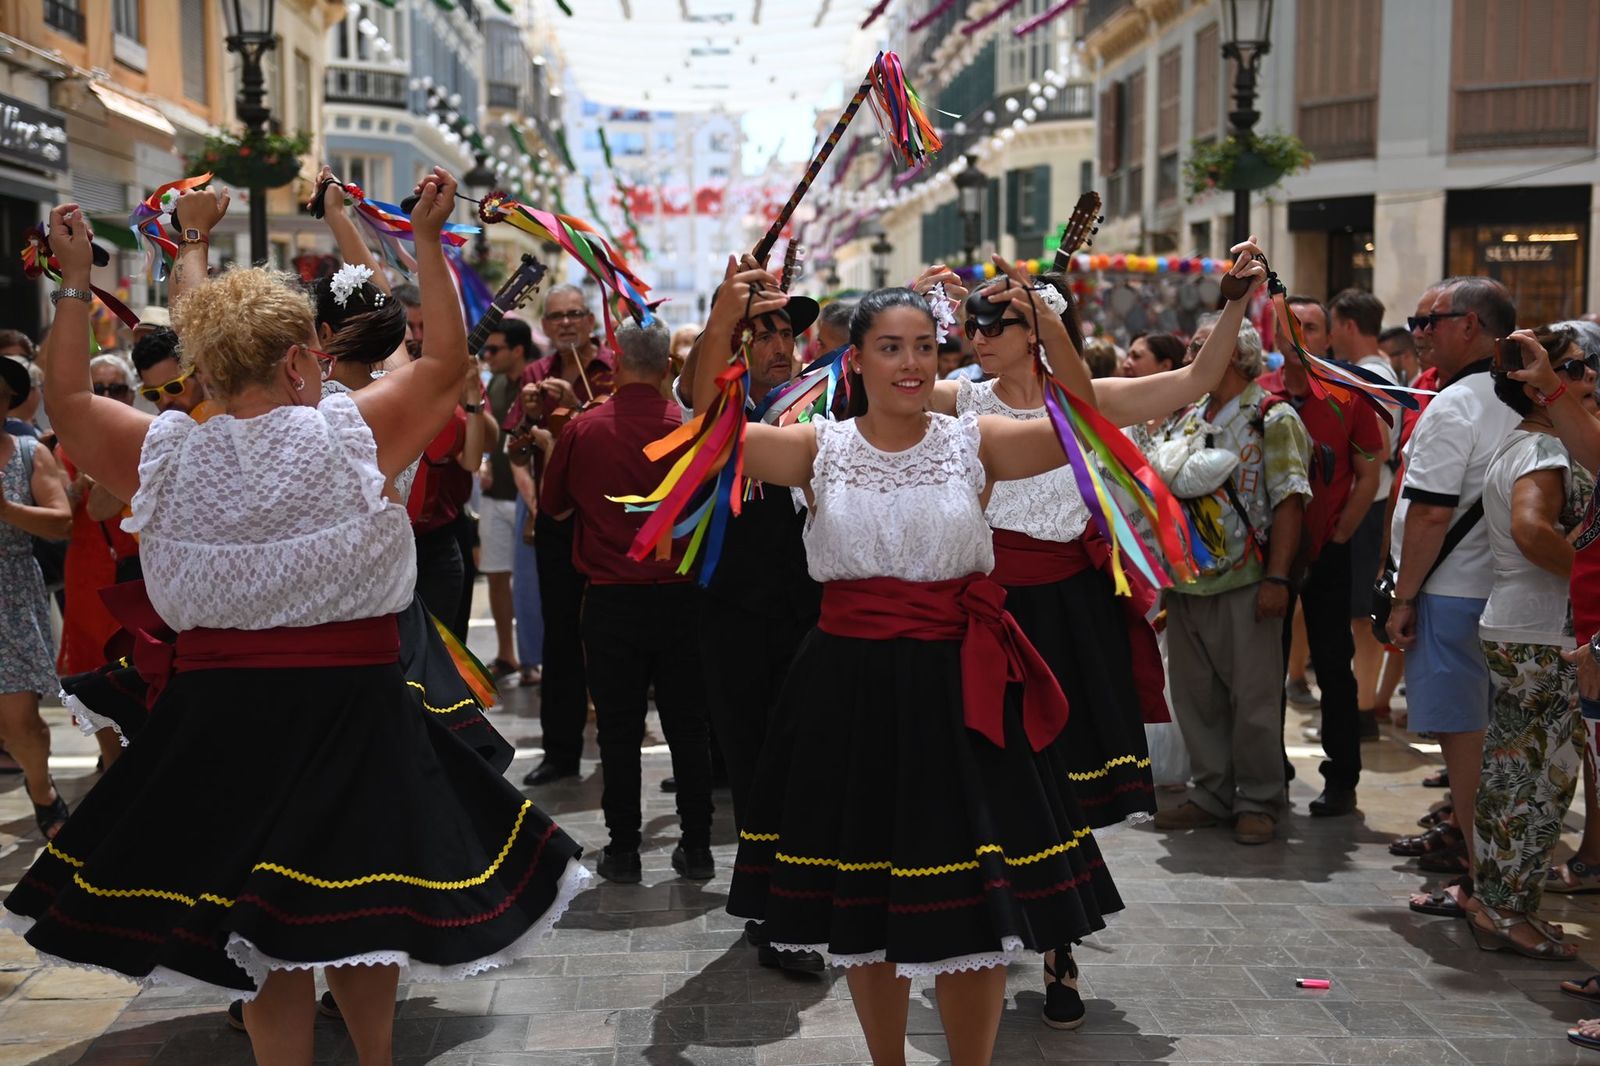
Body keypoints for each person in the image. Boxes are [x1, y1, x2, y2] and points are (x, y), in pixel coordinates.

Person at [5, 183, 585, 1064]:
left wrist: (77, 283)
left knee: (263, 938)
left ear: (209, 366)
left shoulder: (165, 449)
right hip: (348, 708)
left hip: (219, 720)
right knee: (358, 908)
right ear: (296, 365)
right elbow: (444, 366)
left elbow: (69, 400)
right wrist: (427, 243)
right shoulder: (347, 433)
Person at [720, 258, 1123, 1066]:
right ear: (855, 359)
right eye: (891, 347)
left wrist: (1050, 332)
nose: (911, 363)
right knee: (864, 903)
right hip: (848, 690)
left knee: (973, 906)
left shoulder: (975, 441)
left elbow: (1087, 420)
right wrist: (723, 327)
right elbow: (705, 431)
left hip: (958, 685)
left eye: (925, 347)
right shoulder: (814, 448)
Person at [919, 244, 1267, 1027]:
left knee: (1064, 789)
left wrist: (1237, 305)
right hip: (993, 613)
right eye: (973, 324)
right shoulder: (958, 403)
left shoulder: (1084, 398)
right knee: (1000, 779)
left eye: (998, 321)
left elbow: (1193, 381)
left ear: (1038, 328)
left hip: (1072, 611)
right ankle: (1011, 924)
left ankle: (1057, 949)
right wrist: (920, 313)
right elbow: (876, 386)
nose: (980, 336)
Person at [677, 268, 825, 973]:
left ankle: (793, 901)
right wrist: (722, 315)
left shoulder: (823, 404)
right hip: (733, 613)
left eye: (786, 331)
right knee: (752, 760)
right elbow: (703, 394)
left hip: (809, 612)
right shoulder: (708, 405)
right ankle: (773, 906)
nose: (778, 344)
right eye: (760, 330)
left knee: (802, 759)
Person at [540, 317, 714, 885]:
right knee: (689, 726)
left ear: (614, 362)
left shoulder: (585, 431)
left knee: (617, 730)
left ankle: (623, 850)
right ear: (668, 365)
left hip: (613, 599)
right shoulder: (689, 428)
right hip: (682, 597)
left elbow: (557, 509)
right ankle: (697, 844)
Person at [1445, 326, 1595, 961]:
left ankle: (1495, 901)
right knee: (1539, 779)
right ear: (1538, 385)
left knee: (1515, 771)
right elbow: (1533, 531)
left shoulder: (1527, 444)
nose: (1590, 377)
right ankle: (1508, 911)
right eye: (1577, 367)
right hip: (1541, 631)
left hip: (1521, 623)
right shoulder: (1545, 453)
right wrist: (1589, 579)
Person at [1151, 315, 1313, 846]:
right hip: (1187, 580)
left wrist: (1279, 579)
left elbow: (1290, 501)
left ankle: (1259, 799)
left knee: (1255, 699)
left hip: (1247, 578)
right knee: (1197, 697)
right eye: (1196, 344)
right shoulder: (1188, 413)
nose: (1194, 354)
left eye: (1203, 346)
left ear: (1238, 354)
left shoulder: (1272, 416)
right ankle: (1212, 792)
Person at [1386, 278, 1521, 883]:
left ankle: (1481, 881)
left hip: (1451, 595)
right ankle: (1495, 875)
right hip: (1509, 596)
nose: (1419, 334)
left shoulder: (1457, 404)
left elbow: (1433, 510)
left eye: (1430, 321)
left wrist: (1403, 597)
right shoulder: (1527, 398)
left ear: (1470, 326)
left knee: (1467, 750)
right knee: (1501, 750)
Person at [1260, 296, 1387, 816]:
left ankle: (1342, 779)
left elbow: (1368, 474)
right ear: (1274, 336)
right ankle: (1271, 770)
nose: (1301, 335)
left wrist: (1340, 536)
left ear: (1327, 337)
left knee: (1334, 666)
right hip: (1266, 555)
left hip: (1327, 551)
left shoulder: (1348, 394)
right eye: (1291, 326)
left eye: (1311, 326)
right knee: (1265, 666)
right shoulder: (1259, 394)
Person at [518, 287, 617, 786]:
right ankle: (560, 750)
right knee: (560, 635)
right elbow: (515, 449)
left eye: (575, 314)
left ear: (590, 319)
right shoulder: (534, 373)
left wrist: (579, 405)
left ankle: (621, 737)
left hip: (607, 518)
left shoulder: (614, 368)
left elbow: (620, 435)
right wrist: (530, 419)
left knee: (612, 633)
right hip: (559, 519)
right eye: (556, 316)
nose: (566, 324)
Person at [56, 354, 141, 769]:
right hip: (90, 574)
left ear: (130, 393)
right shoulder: (67, 447)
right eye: (99, 389)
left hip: (139, 574)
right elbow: (70, 513)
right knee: (95, 669)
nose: (108, 396)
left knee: (143, 669)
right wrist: (75, 488)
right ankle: (113, 765)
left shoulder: (150, 436)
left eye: (116, 389)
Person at [0, 353, 72, 837]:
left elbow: (60, 520)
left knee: (20, 721)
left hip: (12, 588)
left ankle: (41, 787)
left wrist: (5, 509)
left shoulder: (29, 454)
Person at [479, 319, 536, 681]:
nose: (487, 356)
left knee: (529, 582)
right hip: (494, 494)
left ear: (517, 350)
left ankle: (533, 657)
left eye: (494, 349)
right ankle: (507, 654)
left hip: (525, 499)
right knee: (498, 576)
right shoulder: (495, 384)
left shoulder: (538, 381)